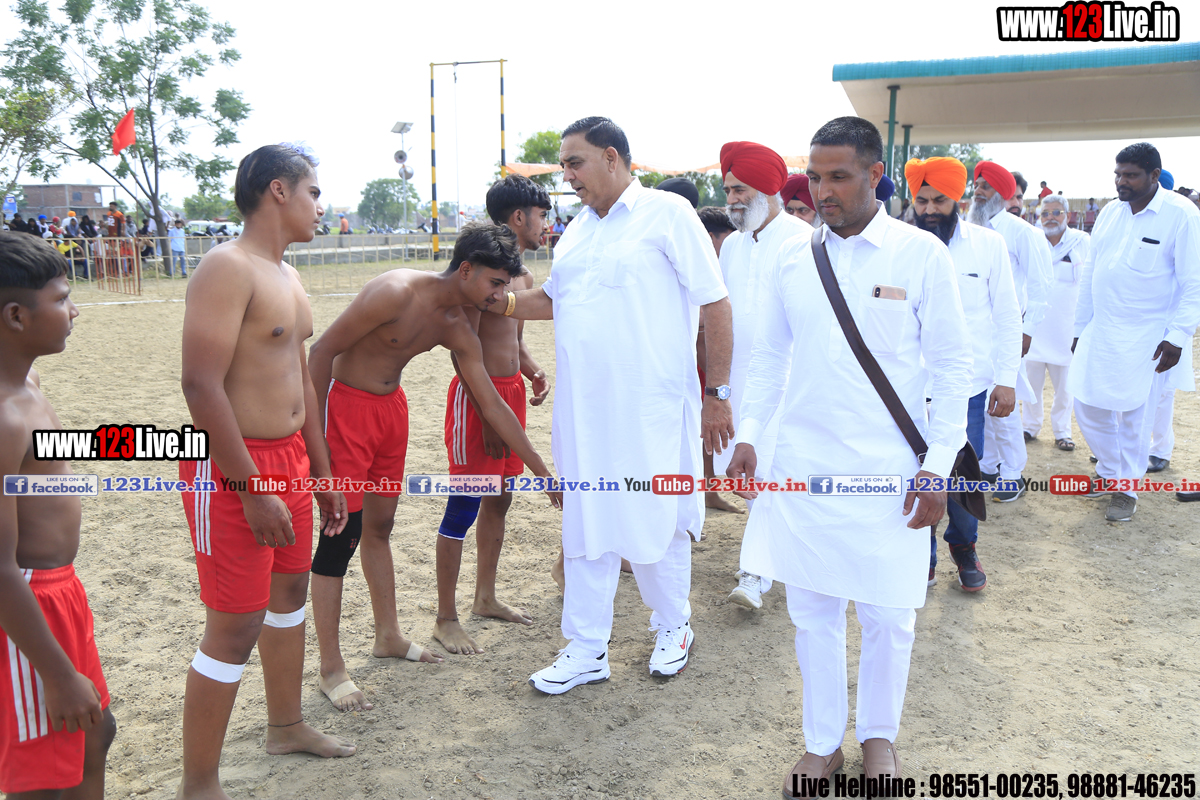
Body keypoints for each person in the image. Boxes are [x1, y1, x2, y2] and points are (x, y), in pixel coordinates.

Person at [727, 117, 972, 790]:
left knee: (889, 613)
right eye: (815, 177)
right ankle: (821, 743)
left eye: (839, 176)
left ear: (875, 175)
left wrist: (937, 467)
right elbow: (769, 356)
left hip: (892, 468)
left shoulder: (920, 255)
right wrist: (750, 433)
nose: (823, 190)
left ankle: (878, 737)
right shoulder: (791, 257)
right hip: (804, 464)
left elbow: (953, 368)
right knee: (812, 611)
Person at [499, 116, 734, 694]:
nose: (566, 175)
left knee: (657, 516)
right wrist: (496, 303)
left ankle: (674, 625)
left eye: (574, 163)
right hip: (585, 414)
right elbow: (553, 300)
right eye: (563, 165)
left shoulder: (667, 214)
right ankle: (586, 648)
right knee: (588, 521)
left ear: (611, 157)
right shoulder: (577, 231)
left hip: (652, 409)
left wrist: (717, 395)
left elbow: (716, 303)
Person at [307, 221, 559, 710]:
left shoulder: (457, 325)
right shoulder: (395, 291)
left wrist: (540, 470)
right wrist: (318, 453)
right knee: (341, 534)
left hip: (391, 412)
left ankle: (388, 636)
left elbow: (491, 403)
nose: (500, 296)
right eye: (494, 283)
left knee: (380, 527)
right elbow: (320, 353)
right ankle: (331, 667)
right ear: (465, 270)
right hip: (346, 411)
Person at [177, 144, 356, 798]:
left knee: (289, 597)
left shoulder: (288, 273)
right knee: (234, 625)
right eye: (314, 192)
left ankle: (286, 725)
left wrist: (321, 470)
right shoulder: (227, 267)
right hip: (234, 465)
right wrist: (250, 488)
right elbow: (200, 384)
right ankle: (198, 782)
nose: (321, 206)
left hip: (291, 463)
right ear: (278, 190)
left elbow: (301, 380)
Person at [0, 233, 117, 798]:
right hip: (24, 602)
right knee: (44, 773)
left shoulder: (29, 383)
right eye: (63, 299)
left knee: (95, 732)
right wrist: (54, 672)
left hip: (60, 589)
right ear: (16, 316)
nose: (74, 312)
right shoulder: (4, 417)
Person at [432, 176, 553, 656]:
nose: (546, 225)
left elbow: (514, 344)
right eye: (541, 216)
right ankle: (445, 617)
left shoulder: (521, 279)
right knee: (464, 506)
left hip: (509, 396)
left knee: (500, 500)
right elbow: (463, 353)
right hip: (479, 402)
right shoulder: (484, 276)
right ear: (519, 217)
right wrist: (486, 416)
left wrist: (533, 371)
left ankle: (485, 597)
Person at [1068, 142, 1200, 521]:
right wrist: (1080, 327)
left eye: (1131, 175)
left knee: (1136, 417)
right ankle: (1110, 470)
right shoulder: (1111, 212)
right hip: (1102, 329)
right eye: (1118, 174)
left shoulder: (1181, 214)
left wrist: (1177, 337)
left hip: (1150, 336)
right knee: (1086, 404)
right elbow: (1092, 273)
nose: (1121, 182)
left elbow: (1193, 283)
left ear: (1154, 175)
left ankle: (1126, 489)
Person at [906, 156, 1020, 593]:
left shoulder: (988, 245)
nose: (930, 209)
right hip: (909, 389)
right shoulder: (901, 246)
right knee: (913, 470)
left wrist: (1006, 379)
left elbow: (1007, 315)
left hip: (967, 387)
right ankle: (922, 555)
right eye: (922, 201)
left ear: (957, 199)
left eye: (939, 200)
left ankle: (964, 547)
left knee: (962, 473)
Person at [715, 141, 812, 611]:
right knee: (752, 472)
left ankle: (755, 572)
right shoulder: (732, 246)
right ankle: (774, 557)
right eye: (728, 190)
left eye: (741, 190)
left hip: (787, 380)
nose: (732, 199)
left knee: (769, 470)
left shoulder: (804, 241)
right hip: (738, 379)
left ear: (770, 189)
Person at [969, 160, 1053, 501]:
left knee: (1002, 404)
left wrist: (1026, 331)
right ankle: (988, 465)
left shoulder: (1022, 232)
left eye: (985, 186)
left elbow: (1041, 286)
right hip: (975, 333)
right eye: (976, 184)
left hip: (1007, 332)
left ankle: (1013, 474)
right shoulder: (968, 228)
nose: (978, 191)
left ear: (1002, 193)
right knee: (978, 402)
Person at [1022, 195, 1089, 451]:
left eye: (1056, 212)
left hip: (1067, 327)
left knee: (1065, 387)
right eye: (1045, 213)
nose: (1050, 218)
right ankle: (1030, 426)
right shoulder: (1032, 240)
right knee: (1031, 383)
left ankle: (1062, 431)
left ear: (1067, 216)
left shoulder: (1081, 243)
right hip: (1035, 327)